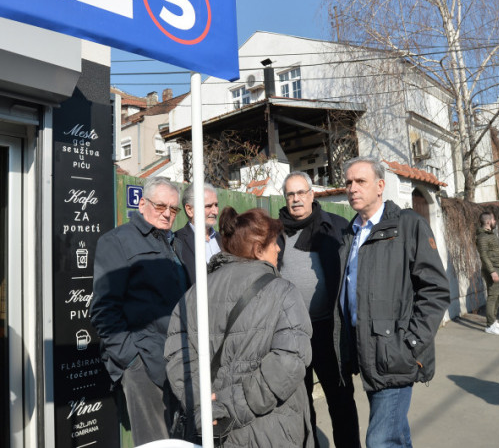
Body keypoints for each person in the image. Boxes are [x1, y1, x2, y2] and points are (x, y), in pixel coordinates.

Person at [165, 207, 313, 448]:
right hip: (269, 429)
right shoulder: (284, 292)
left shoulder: (193, 294)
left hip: (213, 428)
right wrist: (229, 405)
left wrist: (205, 405)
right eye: (274, 243)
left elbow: (177, 355)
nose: (278, 248)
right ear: (258, 249)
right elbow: (290, 362)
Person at [333, 157, 449, 448]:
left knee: (380, 440)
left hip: (396, 353)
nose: (352, 188)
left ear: (380, 185)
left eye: (360, 181)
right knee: (394, 435)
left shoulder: (408, 225)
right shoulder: (351, 234)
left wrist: (411, 343)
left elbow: (435, 290)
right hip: (367, 353)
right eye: (348, 182)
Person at [90, 176, 187, 445]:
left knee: (176, 440)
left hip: (176, 360)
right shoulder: (117, 241)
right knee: (154, 443)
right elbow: (103, 308)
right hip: (144, 364)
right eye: (160, 206)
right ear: (142, 204)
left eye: (173, 209)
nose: (167, 214)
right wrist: (132, 361)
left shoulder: (171, 243)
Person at [277, 172, 360, 448]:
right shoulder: (276, 232)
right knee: (300, 404)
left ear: (312, 195)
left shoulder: (335, 226)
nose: (296, 199)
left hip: (329, 329)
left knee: (341, 400)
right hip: (292, 334)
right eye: (290, 194)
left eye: (301, 192)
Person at [173, 182, 221, 284]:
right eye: (208, 206)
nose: (215, 211)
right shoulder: (176, 241)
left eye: (216, 205)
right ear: (190, 210)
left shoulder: (224, 240)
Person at [476, 211, 499, 335]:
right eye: (494, 220)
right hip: (492, 269)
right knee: (493, 296)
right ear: (489, 221)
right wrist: (492, 271)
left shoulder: (491, 235)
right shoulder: (482, 237)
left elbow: (496, 251)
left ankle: (494, 321)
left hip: (498, 267)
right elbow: (484, 256)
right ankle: (490, 325)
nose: (495, 222)